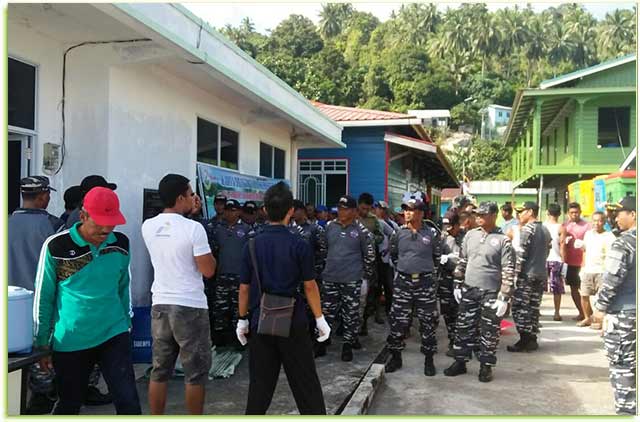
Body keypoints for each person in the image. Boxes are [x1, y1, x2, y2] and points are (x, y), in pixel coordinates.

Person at [34, 187, 141, 414]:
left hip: (114, 333)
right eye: (100, 222)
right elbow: (44, 296)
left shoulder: (120, 243)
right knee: (69, 404)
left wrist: (127, 324)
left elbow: (124, 285)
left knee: (128, 401)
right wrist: (42, 342)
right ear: (83, 216)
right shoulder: (56, 246)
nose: (106, 228)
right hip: (72, 338)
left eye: (111, 222)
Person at [236, 182, 330, 415]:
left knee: (259, 387)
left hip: (261, 319)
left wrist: (242, 319)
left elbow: (244, 288)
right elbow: (310, 286)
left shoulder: (251, 243)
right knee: (306, 384)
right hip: (293, 320)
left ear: (265, 210)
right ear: (290, 211)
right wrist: (319, 319)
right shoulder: (299, 243)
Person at [142, 174, 216, 415]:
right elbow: (208, 270)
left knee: (160, 369)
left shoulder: (148, 226)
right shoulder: (194, 229)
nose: (194, 197)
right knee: (195, 373)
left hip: (160, 303)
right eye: (190, 193)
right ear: (179, 197)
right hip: (190, 305)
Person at [8, 176, 64, 414]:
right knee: (41, 356)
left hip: (10, 304)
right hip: (41, 304)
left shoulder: (7, 222)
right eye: (48, 194)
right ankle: (41, 400)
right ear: (43, 196)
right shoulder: (53, 226)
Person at [444, 202, 515, 383]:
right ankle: (460, 361)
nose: (479, 217)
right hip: (469, 289)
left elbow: (508, 270)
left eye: (483, 214)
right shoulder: (470, 235)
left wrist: (505, 297)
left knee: (489, 331)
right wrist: (458, 283)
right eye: (477, 214)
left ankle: (486, 366)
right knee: (464, 327)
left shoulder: (503, 240)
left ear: (494, 215)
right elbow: (463, 260)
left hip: (491, 292)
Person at [384, 196, 441, 376]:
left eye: (411, 209)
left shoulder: (431, 234)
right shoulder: (398, 233)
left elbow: (436, 258)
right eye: (406, 209)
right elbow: (393, 256)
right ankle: (396, 357)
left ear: (421, 213)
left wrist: (424, 271)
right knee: (398, 321)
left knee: (427, 322)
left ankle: (429, 360)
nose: (407, 213)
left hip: (425, 283)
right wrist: (405, 269)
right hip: (403, 282)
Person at [592, 196, 636, 415]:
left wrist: (599, 309)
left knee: (623, 364)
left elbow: (612, 279)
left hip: (625, 315)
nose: (615, 218)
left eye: (620, 213)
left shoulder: (625, 243)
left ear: (633, 215)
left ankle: (627, 411)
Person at [319, 195, 376, 361]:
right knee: (326, 312)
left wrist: (363, 276)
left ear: (353, 211)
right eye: (340, 208)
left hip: (351, 279)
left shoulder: (361, 231)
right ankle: (322, 342)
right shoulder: (329, 227)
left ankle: (347, 345)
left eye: (345, 209)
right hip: (330, 278)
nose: (341, 212)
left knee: (350, 315)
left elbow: (370, 256)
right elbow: (323, 250)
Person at [508, 201, 551, 353]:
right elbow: (547, 249)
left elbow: (521, 255)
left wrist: (514, 276)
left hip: (527, 274)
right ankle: (532, 338)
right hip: (540, 273)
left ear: (530, 212)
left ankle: (525, 339)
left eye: (521, 211)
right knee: (533, 307)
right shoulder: (544, 229)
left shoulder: (527, 229)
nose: (519, 214)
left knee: (520, 307)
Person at [210, 199, 254, 346]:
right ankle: (221, 338)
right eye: (228, 210)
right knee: (220, 308)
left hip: (240, 277)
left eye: (233, 210)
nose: (230, 213)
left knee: (239, 309)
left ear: (239, 211)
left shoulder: (247, 230)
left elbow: (251, 254)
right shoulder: (217, 228)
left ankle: (239, 339)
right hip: (222, 275)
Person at [288, 200, 328, 356]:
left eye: (294, 210)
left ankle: (318, 343)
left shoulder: (315, 229)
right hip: (294, 279)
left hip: (311, 278)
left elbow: (323, 251)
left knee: (314, 311)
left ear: (301, 211)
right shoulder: (289, 229)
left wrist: (314, 270)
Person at [576, 211, 616, 329]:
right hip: (588, 269)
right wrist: (582, 267)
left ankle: (600, 321)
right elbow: (585, 251)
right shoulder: (588, 234)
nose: (597, 223)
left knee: (600, 298)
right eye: (594, 221)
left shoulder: (609, 236)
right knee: (584, 295)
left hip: (602, 271)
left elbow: (611, 256)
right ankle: (587, 317)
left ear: (604, 222)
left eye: (599, 221)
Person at [357, 192, 384, 336]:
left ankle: (364, 323)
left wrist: (372, 238)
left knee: (368, 294)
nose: (364, 212)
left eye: (367, 209)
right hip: (353, 261)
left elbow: (381, 236)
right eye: (362, 208)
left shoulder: (374, 220)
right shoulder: (351, 218)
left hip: (369, 262)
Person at [438, 209, 464, 357]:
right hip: (445, 281)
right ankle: (452, 339)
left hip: (461, 281)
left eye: (450, 227)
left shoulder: (465, 237)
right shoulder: (441, 238)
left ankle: (461, 342)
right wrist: (441, 258)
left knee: (461, 313)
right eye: (444, 226)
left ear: (456, 225)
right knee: (448, 312)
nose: (447, 230)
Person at [562, 202, 590, 321]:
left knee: (584, 289)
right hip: (570, 263)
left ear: (580, 212)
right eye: (572, 212)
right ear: (568, 213)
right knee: (573, 288)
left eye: (576, 212)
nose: (574, 214)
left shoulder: (587, 226)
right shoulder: (565, 226)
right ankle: (581, 312)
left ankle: (588, 313)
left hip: (584, 263)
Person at [543, 204, 566, 321]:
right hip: (556, 260)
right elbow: (562, 246)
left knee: (539, 287)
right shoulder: (561, 228)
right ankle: (556, 312)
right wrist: (564, 262)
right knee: (556, 289)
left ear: (547, 213)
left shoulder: (542, 227)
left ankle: (537, 311)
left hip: (542, 259)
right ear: (559, 214)